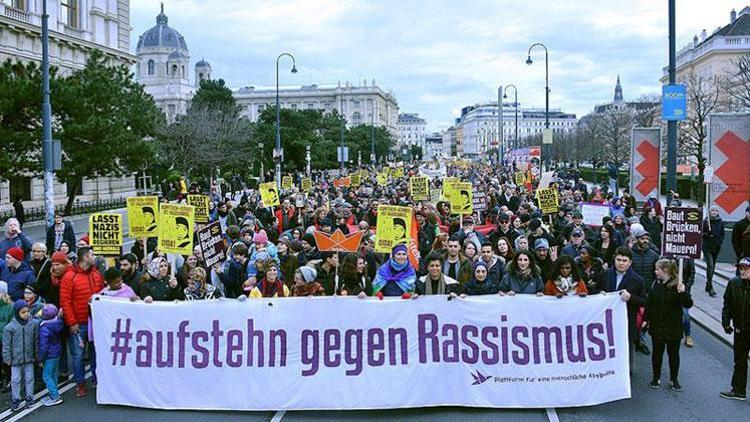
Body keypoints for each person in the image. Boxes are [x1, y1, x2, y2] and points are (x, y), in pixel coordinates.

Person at [59, 246, 103, 397]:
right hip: (79, 323)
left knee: (95, 352)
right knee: (77, 355)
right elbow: (65, 301)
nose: (95, 256)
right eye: (92, 254)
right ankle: (80, 384)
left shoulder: (97, 274)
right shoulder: (69, 277)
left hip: (95, 322)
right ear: (85, 258)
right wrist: (72, 323)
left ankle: (97, 380)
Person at [645, 259, 693, 392]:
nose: (655, 272)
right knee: (657, 353)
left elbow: (688, 304)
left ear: (665, 270)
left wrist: (683, 292)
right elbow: (650, 304)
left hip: (673, 327)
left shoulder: (678, 286)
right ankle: (656, 377)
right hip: (658, 325)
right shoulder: (655, 285)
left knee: (673, 354)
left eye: (657, 270)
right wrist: (646, 319)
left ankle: (674, 378)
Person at [597, 246, 646, 372]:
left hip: (627, 320)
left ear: (630, 262)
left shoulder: (638, 280)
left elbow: (645, 302)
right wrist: (600, 293)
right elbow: (595, 289)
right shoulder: (605, 274)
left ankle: (627, 373)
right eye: (619, 260)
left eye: (624, 261)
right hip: (606, 319)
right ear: (614, 260)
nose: (621, 263)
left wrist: (631, 298)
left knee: (627, 347)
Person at [720, 257, 750, 401]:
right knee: (740, 361)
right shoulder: (734, 283)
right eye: (741, 268)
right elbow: (727, 304)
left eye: (746, 268)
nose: (743, 271)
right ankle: (738, 390)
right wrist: (726, 322)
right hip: (741, 329)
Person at [2, 299, 38, 410]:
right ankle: (16, 398)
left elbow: (36, 340)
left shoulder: (33, 324)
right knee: (15, 380)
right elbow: (6, 345)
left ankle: (29, 397)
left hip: (29, 356)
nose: (26, 314)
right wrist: (7, 358)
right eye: (23, 312)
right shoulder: (9, 328)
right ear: (17, 313)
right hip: (15, 358)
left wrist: (37, 355)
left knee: (29, 378)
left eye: (27, 311)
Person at [38, 304, 64, 407]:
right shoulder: (57, 323)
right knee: (53, 373)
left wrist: (40, 358)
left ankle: (55, 396)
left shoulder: (44, 328)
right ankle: (55, 392)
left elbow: (43, 346)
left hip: (49, 355)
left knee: (46, 376)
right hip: (57, 353)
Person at [702, 206, 724, 297]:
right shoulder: (706, 221)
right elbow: (701, 233)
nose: (714, 212)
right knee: (710, 265)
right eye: (712, 211)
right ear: (710, 212)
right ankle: (710, 286)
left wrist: (720, 242)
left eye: (716, 211)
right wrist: (707, 234)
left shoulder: (720, 221)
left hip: (716, 247)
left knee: (713, 266)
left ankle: (708, 283)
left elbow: (722, 233)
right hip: (707, 247)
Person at [0, 282, 13, 393]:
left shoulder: (10, 306)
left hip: (5, 338)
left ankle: (9, 381)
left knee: (6, 361)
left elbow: (11, 323)